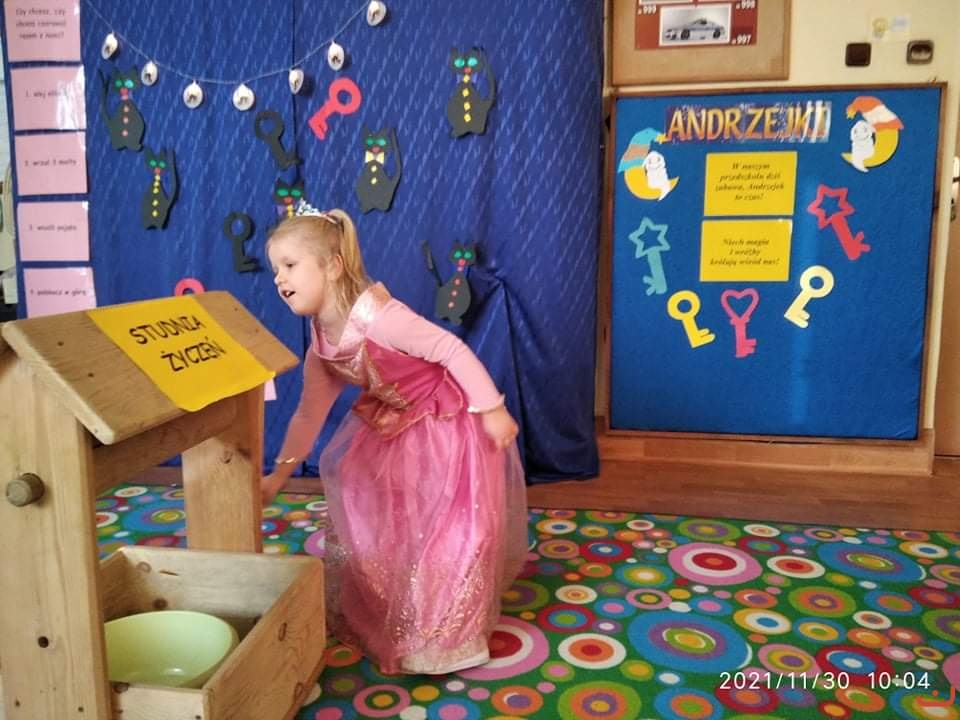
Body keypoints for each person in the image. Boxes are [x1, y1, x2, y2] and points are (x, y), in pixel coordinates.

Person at [262, 205, 528, 675]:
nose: (279, 278)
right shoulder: (321, 345)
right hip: (393, 425)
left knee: (451, 529)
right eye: (275, 269)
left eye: (289, 264)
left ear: (333, 266)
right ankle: (403, 610)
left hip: (444, 424)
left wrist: (492, 409)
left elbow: (451, 350)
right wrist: (279, 475)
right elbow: (308, 414)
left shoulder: (382, 319)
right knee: (377, 510)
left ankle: (450, 636)